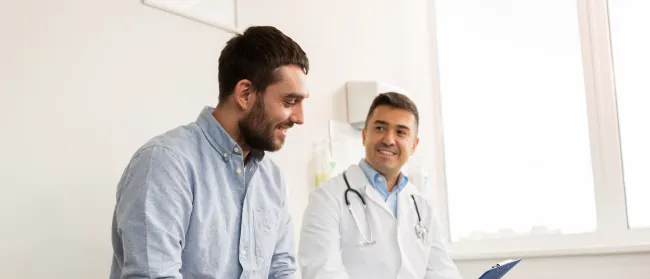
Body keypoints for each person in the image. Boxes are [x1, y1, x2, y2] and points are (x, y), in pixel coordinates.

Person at [109, 26, 310, 279]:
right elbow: (154, 275)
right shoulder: (165, 163)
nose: (300, 118)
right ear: (245, 94)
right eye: (289, 102)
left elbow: (281, 271)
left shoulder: (272, 178)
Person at [298, 92, 462, 279]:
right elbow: (321, 273)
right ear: (364, 135)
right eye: (380, 128)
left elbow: (442, 272)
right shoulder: (326, 199)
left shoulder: (422, 206)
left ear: (414, 145)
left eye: (401, 132)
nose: (389, 139)